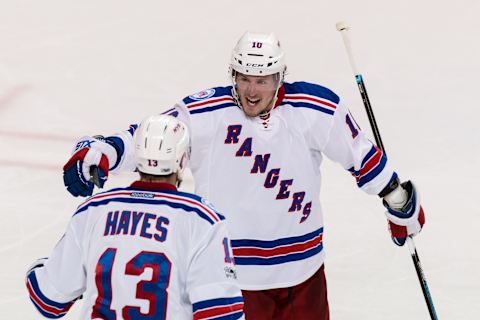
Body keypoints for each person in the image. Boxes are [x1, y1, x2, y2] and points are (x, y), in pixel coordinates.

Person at [62, 32, 425, 319]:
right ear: (232, 74)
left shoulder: (316, 108)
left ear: (279, 77)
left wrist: (398, 201)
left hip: (303, 275)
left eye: (263, 80)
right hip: (230, 280)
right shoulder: (205, 112)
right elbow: (152, 134)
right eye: (244, 78)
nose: (252, 91)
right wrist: (106, 150)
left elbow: (359, 154)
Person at [27, 115, 245, 319]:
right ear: (181, 161)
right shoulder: (203, 220)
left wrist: (39, 267)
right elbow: (221, 313)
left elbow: (48, 301)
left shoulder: (94, 210)